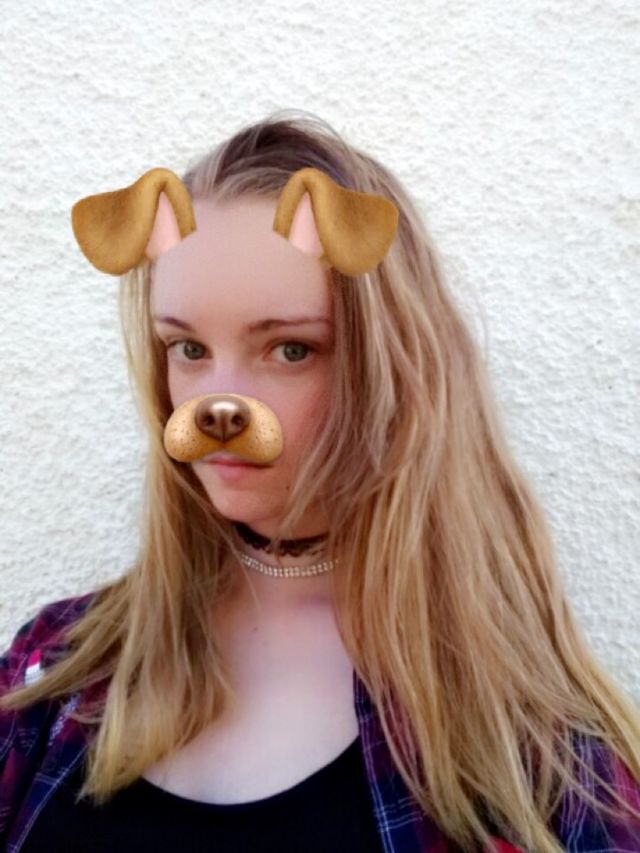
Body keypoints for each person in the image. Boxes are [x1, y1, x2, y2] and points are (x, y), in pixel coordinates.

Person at [1, 111, 639, 853]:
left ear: (391, 367)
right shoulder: (55, 667)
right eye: (189, 348)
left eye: (291, 350)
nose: (220, 402)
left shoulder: (526, 740)